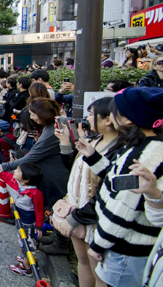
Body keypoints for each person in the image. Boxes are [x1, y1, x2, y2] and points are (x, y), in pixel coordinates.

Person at [74, 87, 163, 287]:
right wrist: (93, 156)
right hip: (124, 245)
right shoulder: (143, 146)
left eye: (115, 111)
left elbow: (123, 207)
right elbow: (118, 183)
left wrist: (98, 244)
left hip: (125, 248)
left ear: (128, 119)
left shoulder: (145, 155)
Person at [50, 97, 117, 287]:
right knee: (83, 261)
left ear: (108, 120)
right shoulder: (94, 140)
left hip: (94, 216)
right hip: (78, 207)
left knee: (99, 272)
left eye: (91, 114)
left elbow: (106, 190)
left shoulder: (118, 151)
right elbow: (73, 169)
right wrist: (65, 142)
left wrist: (77, 216)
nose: (87, 118)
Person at [0, 152, 44, 277]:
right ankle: (26, 258)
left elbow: (39, 211)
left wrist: (39, 226)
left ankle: (26, 267)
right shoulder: (12, 180)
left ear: (26, 179)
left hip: (29, 223)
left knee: (27, 243)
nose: (15, 171)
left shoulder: (36, 194)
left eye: (18, 170)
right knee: (22, 240)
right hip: (20, 220)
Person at [0, 98, 68, 208]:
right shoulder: (55, 124)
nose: (31, 118)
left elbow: (33, 156)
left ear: (42, 113)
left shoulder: (52, 130)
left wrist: (5, 166)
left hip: (54, 178)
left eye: (33, 114)